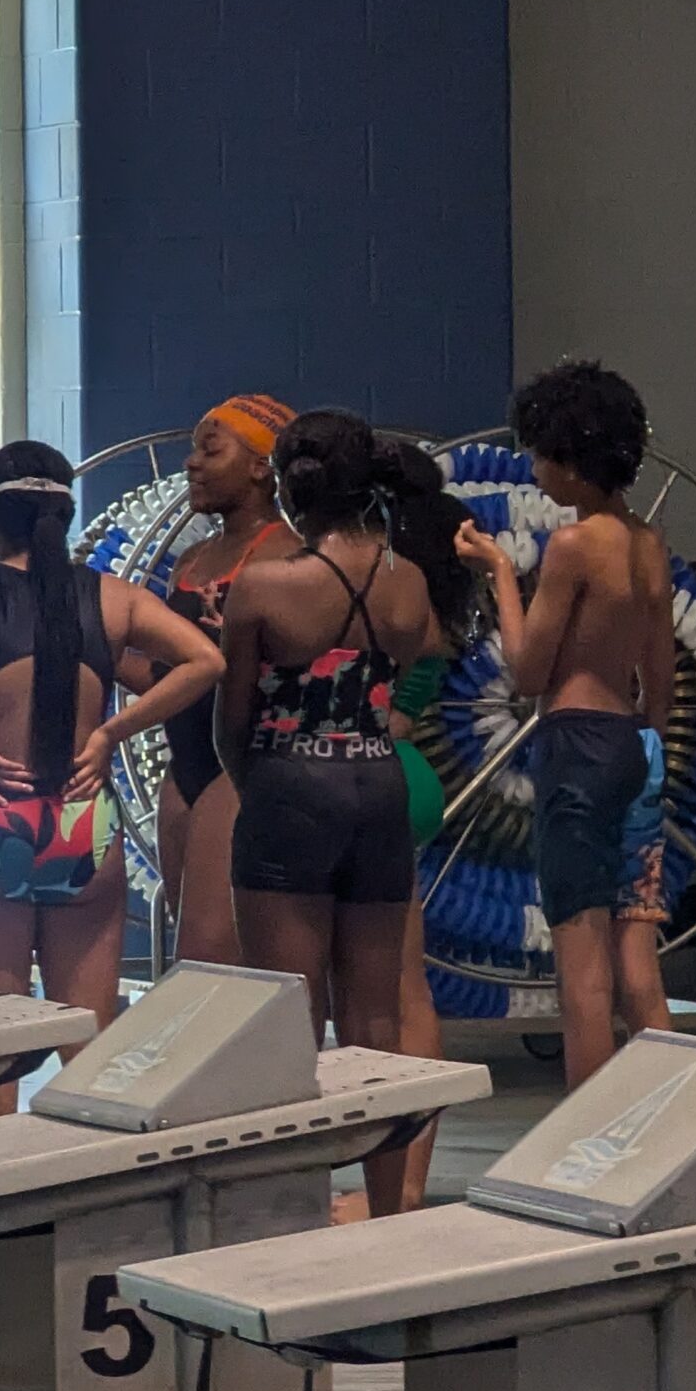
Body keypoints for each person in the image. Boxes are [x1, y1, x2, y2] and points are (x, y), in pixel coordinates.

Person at [0, 441, 223, 1114]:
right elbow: (205, 661)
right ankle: (89, 1195)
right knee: (87, 1039)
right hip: (83, 823)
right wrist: (110, 733)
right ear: (67, 517)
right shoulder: (113, 599)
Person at [454, 359, 675, 1091]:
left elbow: (526, 672)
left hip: (576, 747)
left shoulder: (575, 547)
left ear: (573, 462)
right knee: (638, 967)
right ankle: (683, 1119)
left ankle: (593, 1143)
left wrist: (497, 576)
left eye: (542, 455)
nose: (535, 470)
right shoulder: (648, 542)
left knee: (581, 975)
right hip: (637, 749)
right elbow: (662, 673)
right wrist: (645, 743)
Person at [216, 408, 431, 1067]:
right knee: (376, 1016)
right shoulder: (408, 581)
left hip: (291, 779)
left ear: (286, 488)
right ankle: (390, 1176)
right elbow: (407, 680)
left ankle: (301, 1174)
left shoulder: (262, 586)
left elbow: (233, 724)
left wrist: (266, 790)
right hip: (379, 780)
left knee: (290, 1012)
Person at [356, 435, 491, 1215]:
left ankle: (366, 1183)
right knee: (409, 992)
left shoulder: (371, 579)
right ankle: (403, 1186)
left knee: (351, 999)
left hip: (366, 769)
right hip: (414, 780)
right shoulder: (437, 582)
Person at [154, 395, 295, 963]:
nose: (192, 463)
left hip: (240, 768)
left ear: (262, 467)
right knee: (196, 957)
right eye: (193, 450)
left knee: (207, 959)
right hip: (183, 766)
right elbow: (170, 677)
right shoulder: (193, 559)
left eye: (211, 450)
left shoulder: (287, 557)